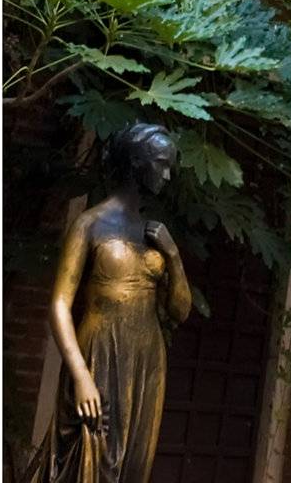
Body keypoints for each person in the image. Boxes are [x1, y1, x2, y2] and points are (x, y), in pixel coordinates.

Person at [24, 122, 192, 483]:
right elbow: (59, 306)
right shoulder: (90, 224)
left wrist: (173, 256)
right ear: (135, 162)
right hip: (100, 354)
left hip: (146, 359)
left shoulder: (155, 235)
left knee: (132, 466)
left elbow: (180, 311)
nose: (167, 174)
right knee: (92, 460)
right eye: (161, 163)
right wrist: (81, 375)